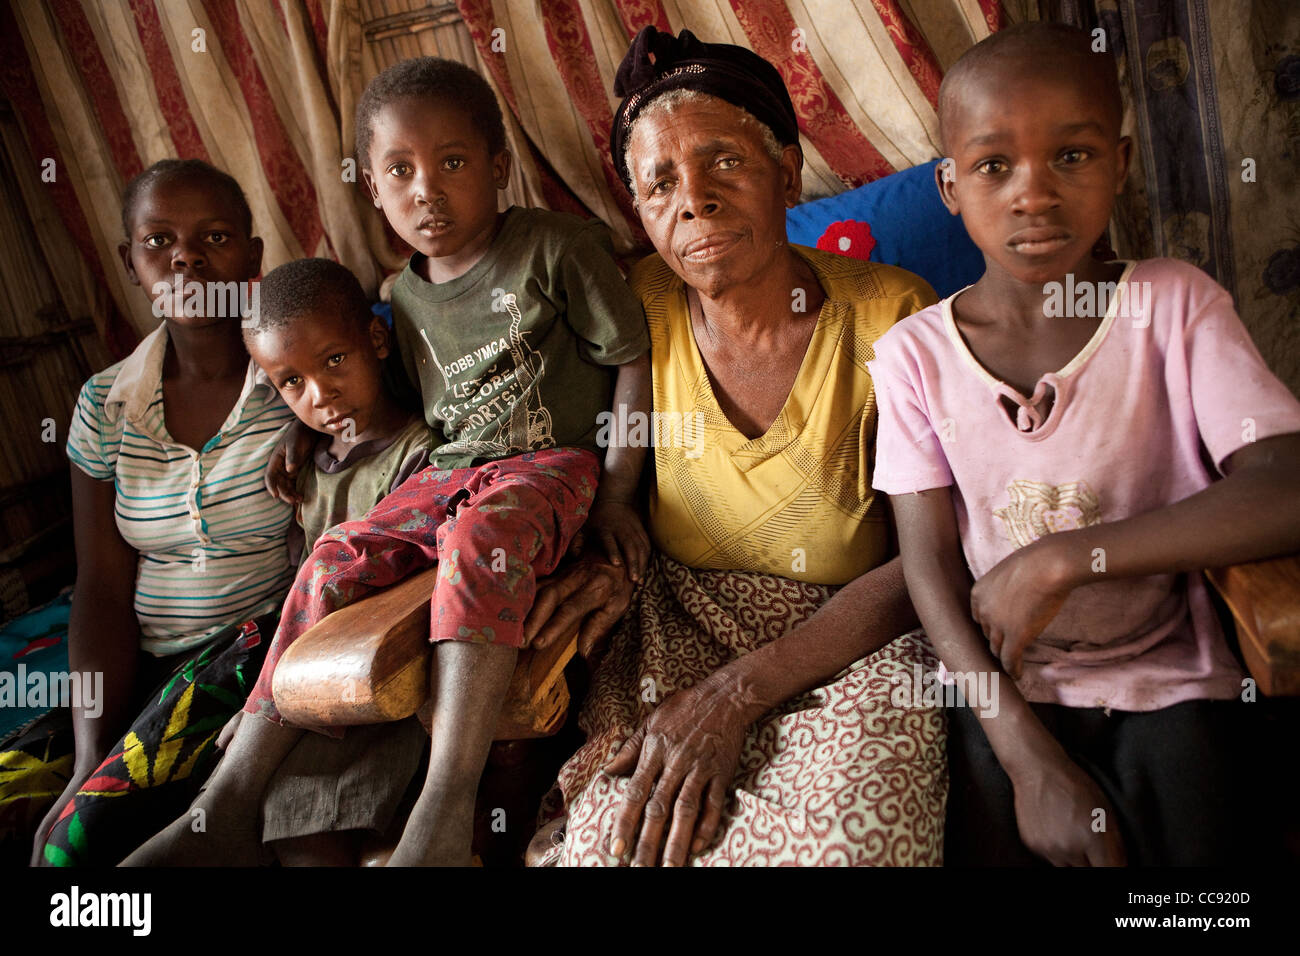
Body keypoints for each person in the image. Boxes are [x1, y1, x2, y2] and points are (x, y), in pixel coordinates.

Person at [126, 56, 651, 867]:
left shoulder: (554, 247)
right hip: (448, 473)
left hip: (549, 468)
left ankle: (444, 805)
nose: (427, 192)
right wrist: (304, 433)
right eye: (400, 171)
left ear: (498, 166)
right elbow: (382, 393)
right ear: (372, 190)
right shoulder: (401, 297)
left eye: (452, 162)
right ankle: (228, 799)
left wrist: (617, 494)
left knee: (483, 543)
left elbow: (633, 359)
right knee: (333, 557)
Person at [868, 23, 1300, 866]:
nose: (1035, 194)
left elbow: (1284, 486)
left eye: (1073, 155)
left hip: (1172, 677)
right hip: (1002, 688)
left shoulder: (1176, 309)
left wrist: (1063, 558)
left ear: (1122, 164)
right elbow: (928, 564)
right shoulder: (912, 356)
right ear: (950, 186)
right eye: (995, 165)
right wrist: (1027, 761)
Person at [525, 27, 947, 867]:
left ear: (786, 172)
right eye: (660, 184)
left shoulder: (893, 315)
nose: (694, 201)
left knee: (845, 848)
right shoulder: (629, 311)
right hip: (675, 631)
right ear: (640, 212)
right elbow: (556, 458)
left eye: (725, 162)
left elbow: (929, 561)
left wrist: (737, 697)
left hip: (854, 641)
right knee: (621, 847)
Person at [1, 159, 298, 867]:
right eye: (158, 240)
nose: (186, 256)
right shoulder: (106, 404)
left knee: (76, 850)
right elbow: (100, 587)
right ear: (130, 263)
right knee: (22, 796)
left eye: (214, 237)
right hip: (143, 664)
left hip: (255, 653)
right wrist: (88, 754)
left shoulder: (296, 380)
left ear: (252, 259)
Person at [126, 257, 432, 865]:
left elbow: (389, 599)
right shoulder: (306, 469)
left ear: (376, 339)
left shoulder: (416, 456)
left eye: (335, 361)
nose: (320, 395)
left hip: (377, 679)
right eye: (292, 382)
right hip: (299, 680)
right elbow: (300, 594)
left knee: (308, 841)